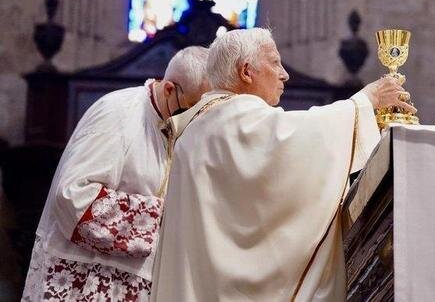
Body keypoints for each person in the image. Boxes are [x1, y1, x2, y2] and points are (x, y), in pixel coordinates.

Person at [151, 28, 413, 301]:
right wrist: (364, 102)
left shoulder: (201, 123)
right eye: (275, 62)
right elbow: (299, 139)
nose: (284, 73)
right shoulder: (234, 119)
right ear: (246, 71)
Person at [22, 46, 211, 301]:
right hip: (86, 282)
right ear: (168, 89)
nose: (196, 117)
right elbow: (73, 197)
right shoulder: (118, 113)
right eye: (192, 107)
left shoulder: (174, 125)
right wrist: (162, 215)